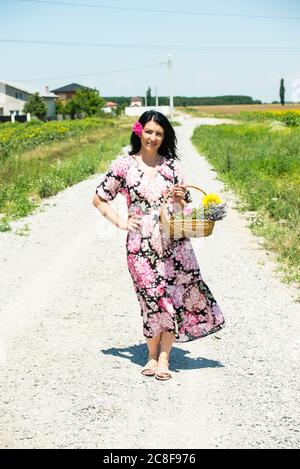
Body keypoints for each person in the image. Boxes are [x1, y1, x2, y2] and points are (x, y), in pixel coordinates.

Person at [92, 110, 225, 381]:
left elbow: (183, 206)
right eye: (149, 131)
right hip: (140, 246)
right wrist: (120, 222)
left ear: (165, 137)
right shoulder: (124, 166)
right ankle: (150, 355)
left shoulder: (172, 167)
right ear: (139, 131)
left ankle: (163, 358)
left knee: (172, 299)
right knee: (150, 299)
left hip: (175, 244)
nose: (153, 138)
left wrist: (182, 197)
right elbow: (99, 198)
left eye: (159, 133)